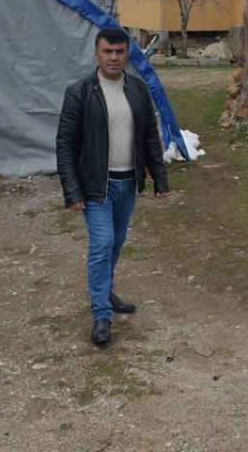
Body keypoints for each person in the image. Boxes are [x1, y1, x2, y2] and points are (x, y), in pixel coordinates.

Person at [56, 26, 168, 347]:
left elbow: (150, 136)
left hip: (128, 182)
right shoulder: (79, 92)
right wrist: (71, 190)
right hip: (95, 187)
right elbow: (65, 144)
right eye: (108, 51)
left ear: (127, 54)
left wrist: (159, 177)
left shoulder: (137, 89)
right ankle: (101, 314)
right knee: (102, 244)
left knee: (116, 243)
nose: (114, 57)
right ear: (97, 53)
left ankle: (105, 289)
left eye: (120, 52)